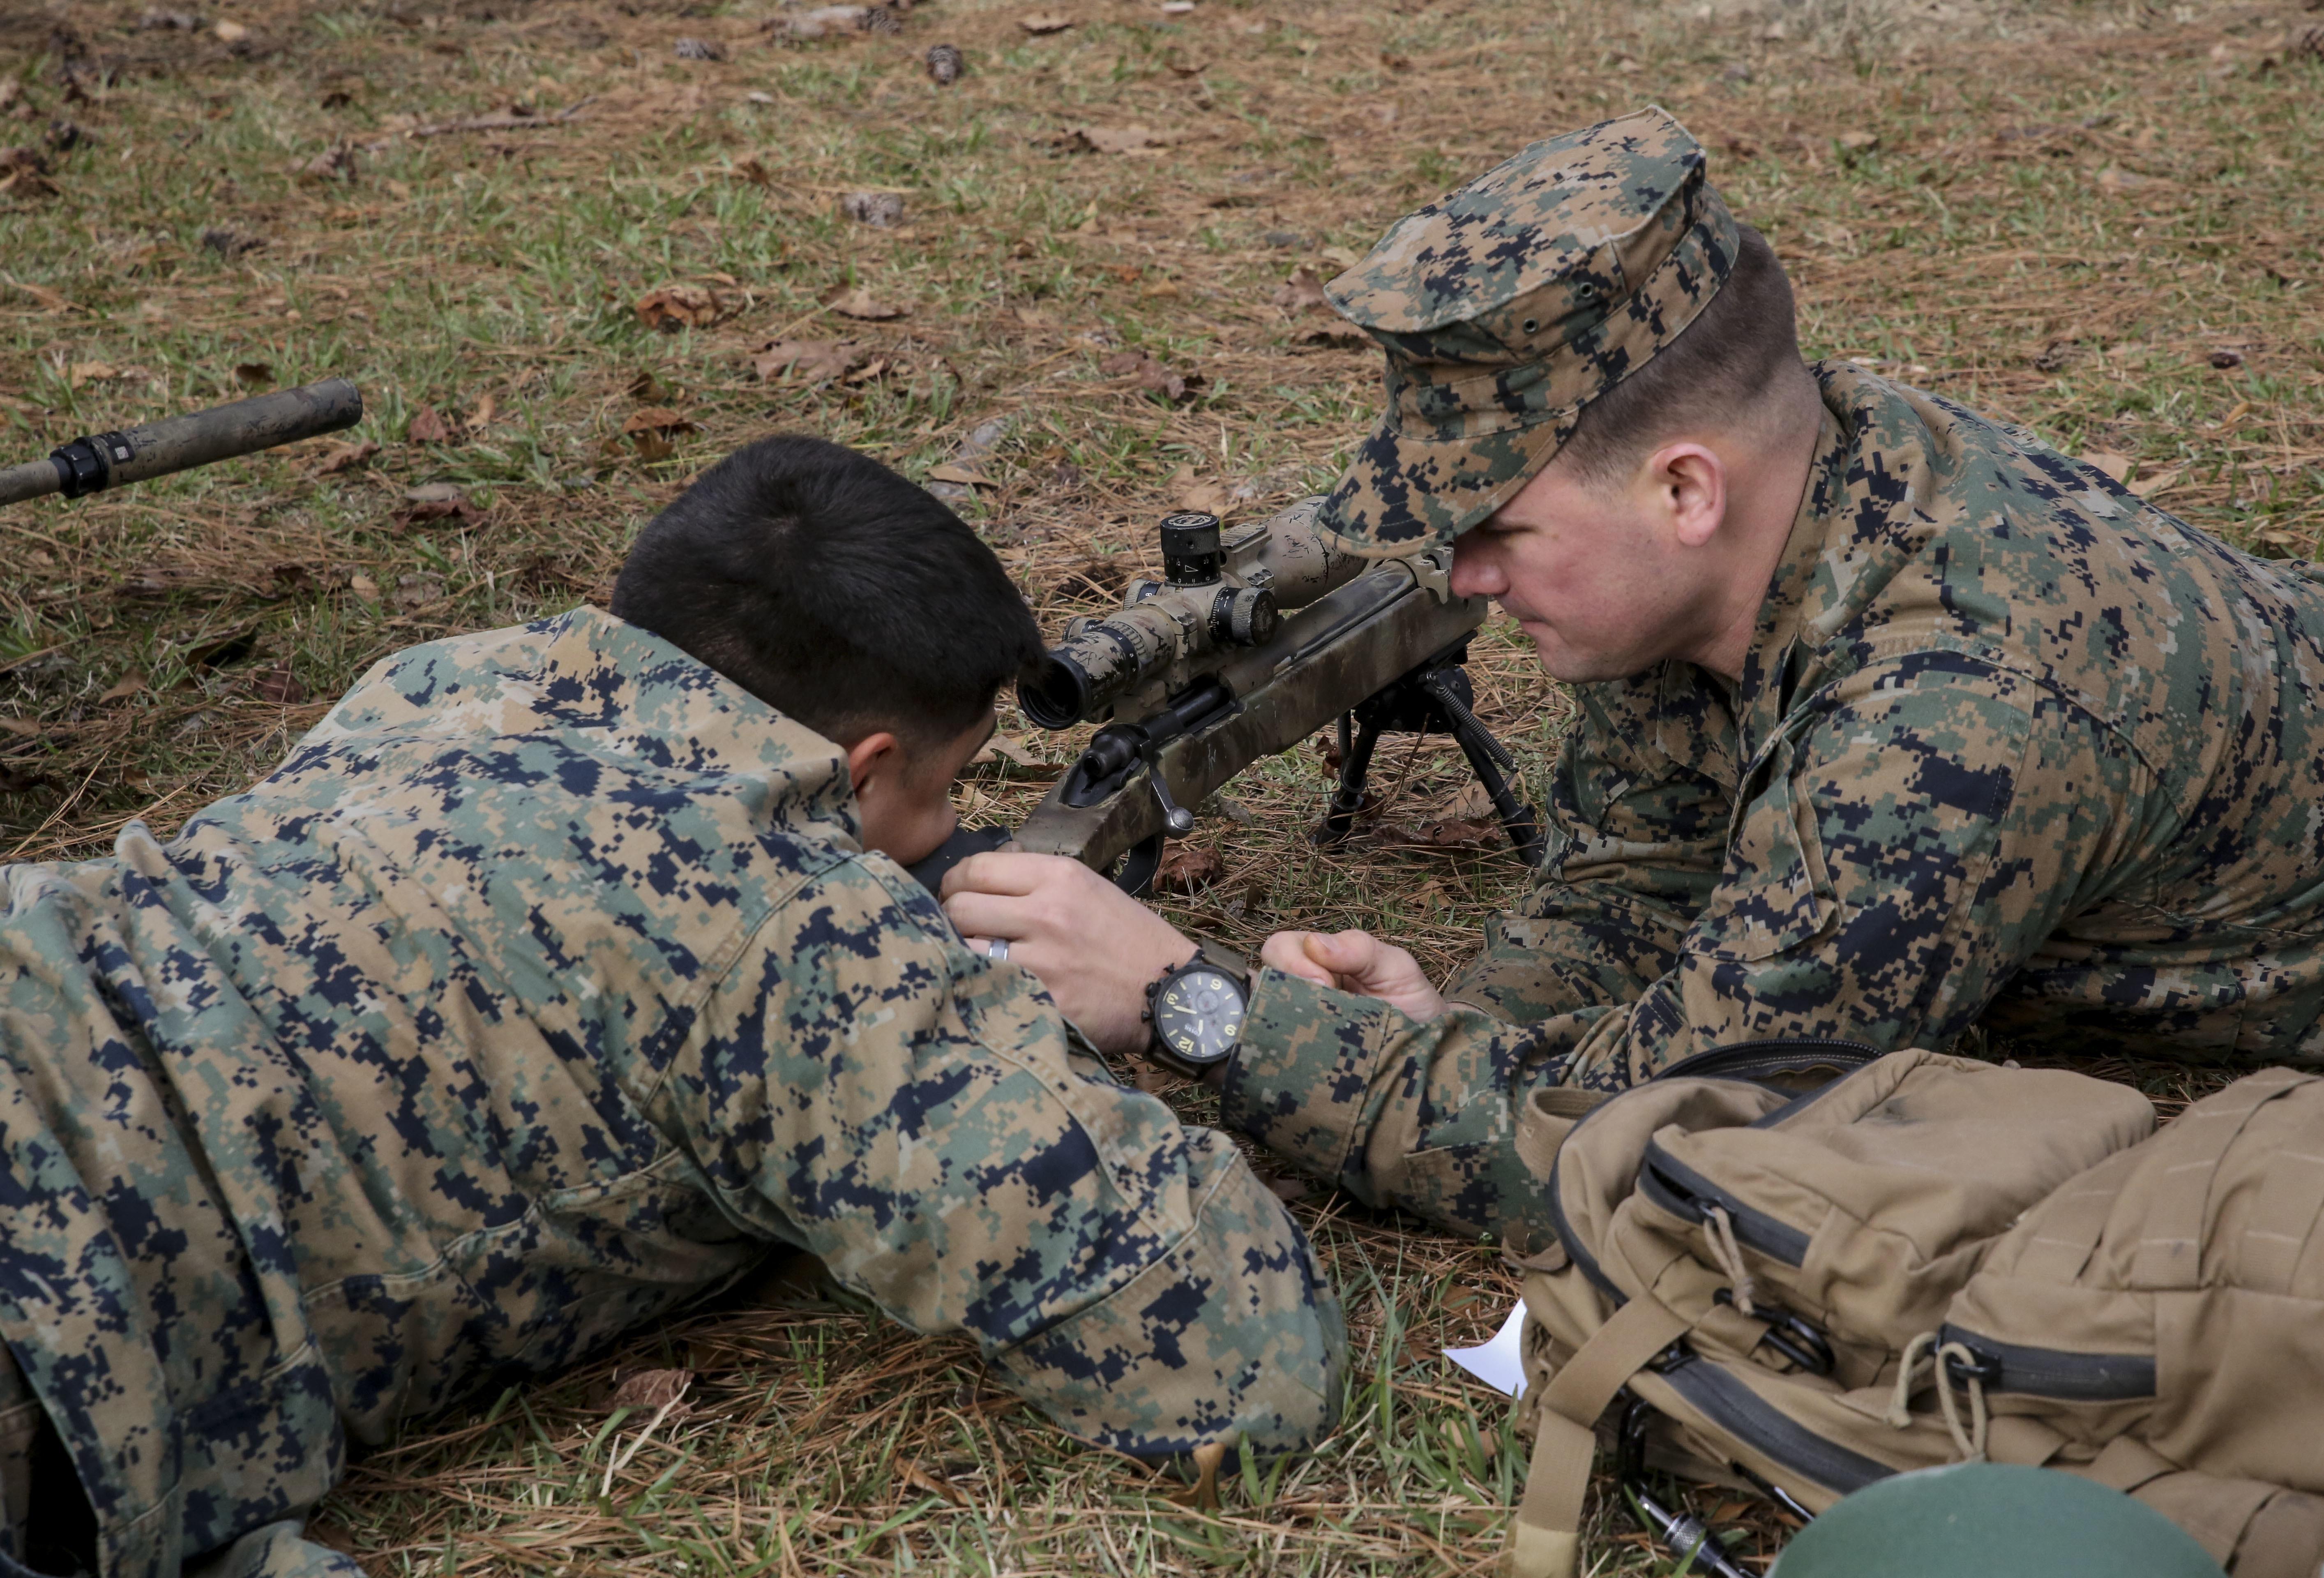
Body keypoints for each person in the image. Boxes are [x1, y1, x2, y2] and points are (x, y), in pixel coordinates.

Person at [939, 106, 2324, 1249]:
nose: (1467, 581)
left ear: (1686, 488)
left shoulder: (1953, 724)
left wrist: (1210, 1008)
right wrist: (1456, 1030)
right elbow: (1638, 875)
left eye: (1497, 532)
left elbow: (1662, 1149)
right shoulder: (1769, 511)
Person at [0, 436, 1344, 1577]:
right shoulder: (793, 932)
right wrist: (1180, 998)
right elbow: (1243, 1372)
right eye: (946, 789)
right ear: (869, 768)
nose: (941, 828)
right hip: (57, 1326)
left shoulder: (437, 681)